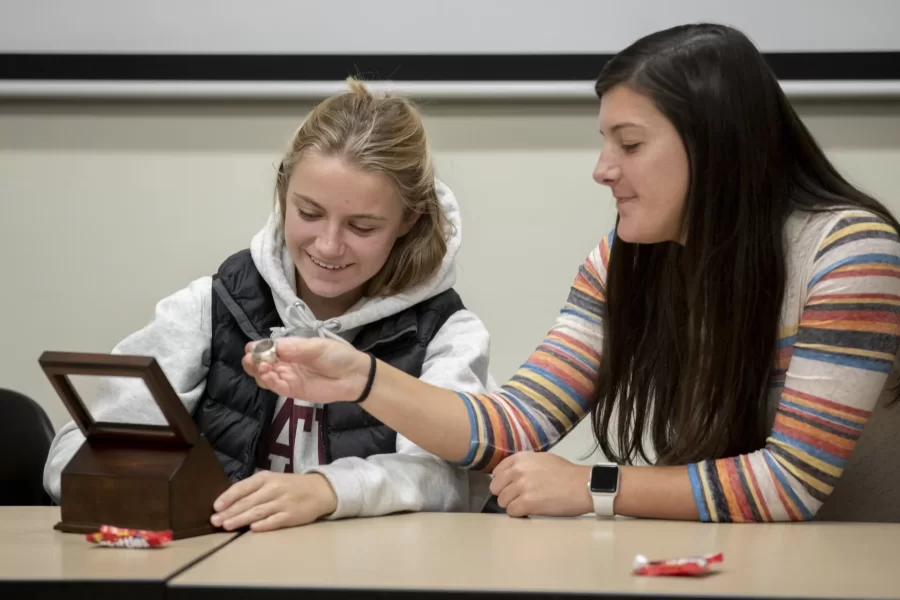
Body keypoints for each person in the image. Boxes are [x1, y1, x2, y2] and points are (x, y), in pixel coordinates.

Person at [243, 24, 900, 523]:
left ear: (714, 144)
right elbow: (514, 424)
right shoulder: (623, 260)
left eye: (630, 143)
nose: (603, 168)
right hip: (737, 557)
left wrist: (594, 487)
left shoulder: (848, 252)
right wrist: (359, 377)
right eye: (605, 141)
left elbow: (789, 484)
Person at [43, 79, 493, 532]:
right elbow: (76, 453)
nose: (329, 245)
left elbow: (453, 480)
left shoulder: (446, 334)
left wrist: (327, 490)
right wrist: (159, 491)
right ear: (283, 194)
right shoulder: (213, 305)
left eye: (362, 226)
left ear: (407, 221)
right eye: (310, 213)